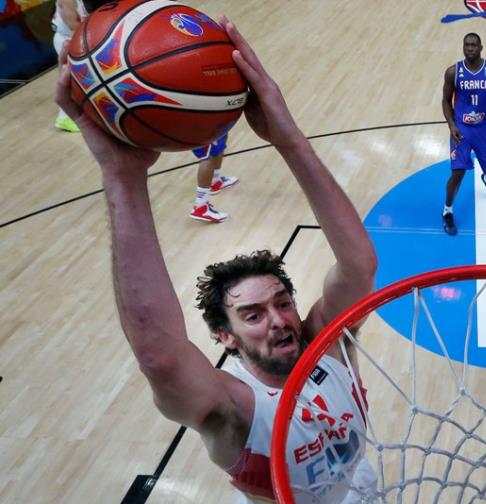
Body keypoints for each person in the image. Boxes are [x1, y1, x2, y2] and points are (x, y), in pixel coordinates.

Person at [55, 18, 378, 503]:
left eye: (282, 302)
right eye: (252, 315)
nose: (278, 320)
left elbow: (359, 267)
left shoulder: (327, 347)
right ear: (225, 338)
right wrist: (123, 176)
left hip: (364, 489)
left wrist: (287, 137)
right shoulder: (234, 409)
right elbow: (160, 357)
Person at [440, 33, 486, 236]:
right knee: (458, 172)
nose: (470, 48)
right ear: (463, 47)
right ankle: (447, 211)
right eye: (467, 45)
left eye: (474, 45)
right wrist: (451, 124)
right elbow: (445, 100)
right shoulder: (453, 72)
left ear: (481, 47)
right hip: (461, 129)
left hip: (485, 128)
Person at [51, 0, 86, 132]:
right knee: (70, 82)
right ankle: (64, 118)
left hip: (77, 38)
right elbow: (73, 26)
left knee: (79, 81)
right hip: (67, 41)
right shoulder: (67, 1)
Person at [190, 134, 239, 223]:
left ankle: (215, 181)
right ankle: (200, 207)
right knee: (208, 156)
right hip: (197, 127)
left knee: (221, 137)